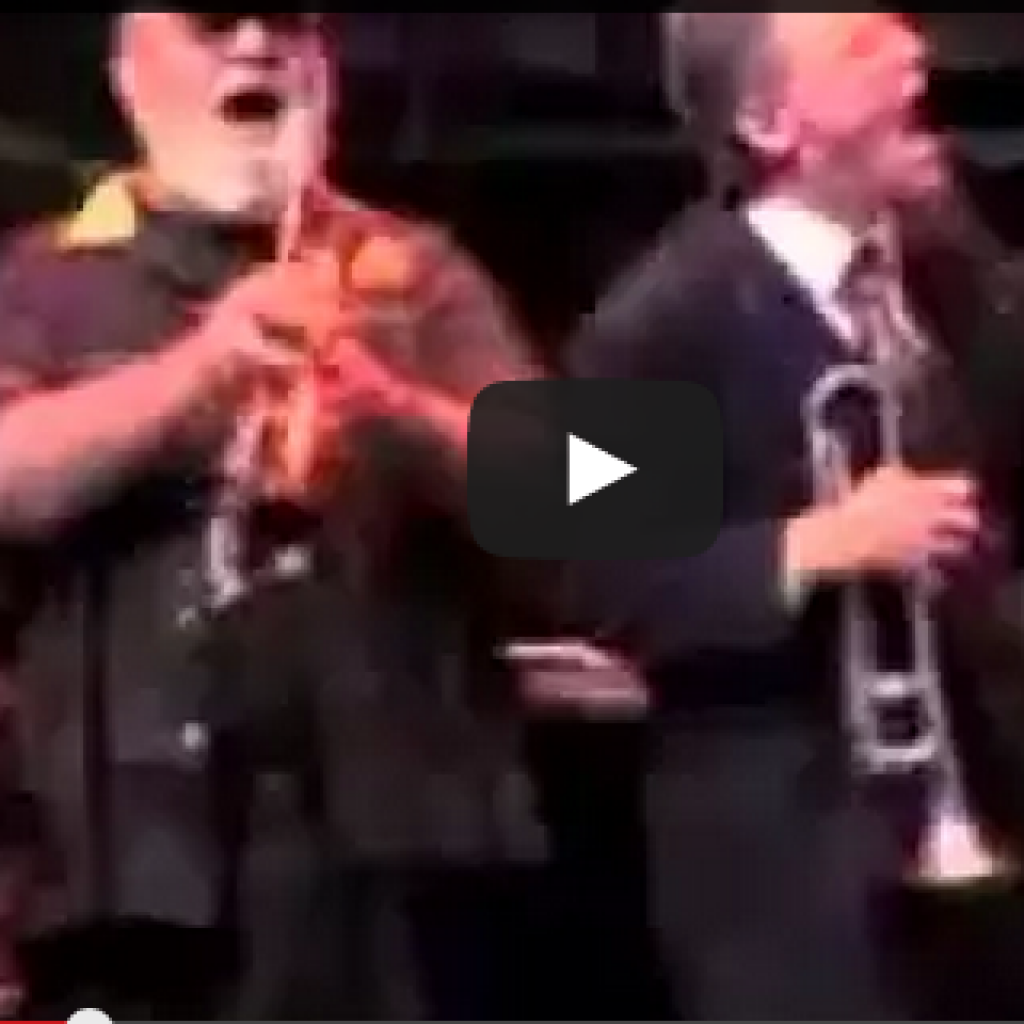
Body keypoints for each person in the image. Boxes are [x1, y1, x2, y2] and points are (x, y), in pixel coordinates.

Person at [0, 12, 543, 1019]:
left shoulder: (424, 268)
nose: (254, 44)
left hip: (402, 846)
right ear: (127, 74)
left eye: (287, 21)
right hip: (134, 864)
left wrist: (394, 403)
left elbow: (609, 487)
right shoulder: (38, 277)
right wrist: (199, 371)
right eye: (211, 22)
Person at [568, 11, 1024, 1019]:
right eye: (862, 44)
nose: (915, 54)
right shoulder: (652, 320)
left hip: (985, 833)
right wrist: (818, 543)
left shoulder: (951, 272)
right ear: (770, 122)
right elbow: (588, 575)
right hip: (785, 881)